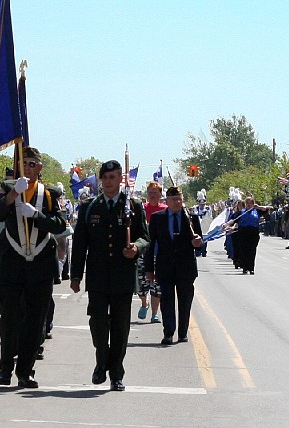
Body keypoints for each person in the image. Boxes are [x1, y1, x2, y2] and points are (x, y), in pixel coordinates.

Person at [0, 146, 66, 389]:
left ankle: (26, 371)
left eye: (33, 164)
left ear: (40, 167)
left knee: (35, 321)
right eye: (25, 164)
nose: (29, 168)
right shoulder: (7, 188)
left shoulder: (51, 193)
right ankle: (5, 368)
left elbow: (60, 225)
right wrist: (13, 195)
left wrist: (37, 215)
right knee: (10, 318)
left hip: (40, 265)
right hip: (12, 263)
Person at [71, 160, 149, 392]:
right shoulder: (89, 207)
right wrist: (75, 275)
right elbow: (80, 244)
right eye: (105, 178)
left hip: (123, 277)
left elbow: (145, 237)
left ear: (120, 179)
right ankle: (101, 361)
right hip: (97, 277)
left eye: (113, 177)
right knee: (97, 323)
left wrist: (135, 247)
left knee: (120, 327)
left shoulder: (132, 205)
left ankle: (116, 373)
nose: (108, 182)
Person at [147, 186, 202, 346]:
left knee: (185, 301)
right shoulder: (158, 218)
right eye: (173, 199)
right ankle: (168, 333)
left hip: (186, 267)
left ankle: (183, 332)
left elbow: (199, 243)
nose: (177, 202)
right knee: (167, 301)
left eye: (179, 199)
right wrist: (149, 269)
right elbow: (151, 244)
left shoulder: (190, 217)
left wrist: (197, 243)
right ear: (167, 201)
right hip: (165, 267)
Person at [138, 181, 166, 323]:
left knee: (157, 284)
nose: (152, 195)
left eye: (155, 193)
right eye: (150, 193)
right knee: (141, 282)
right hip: (143, 251)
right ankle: (144, 302)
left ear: (160, 194)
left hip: (159, 252)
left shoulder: (165, 209)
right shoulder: (141, 209)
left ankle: (155, 313)